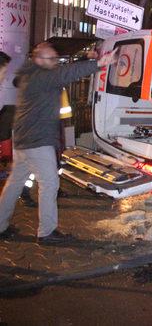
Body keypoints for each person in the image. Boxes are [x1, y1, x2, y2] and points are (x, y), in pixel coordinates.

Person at [0, 42, 117, 243]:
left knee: (14, 184)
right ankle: (46, 232)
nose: (55, 62)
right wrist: (100, 63)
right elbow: (64, 74)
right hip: (38, 141)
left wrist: (87, 58)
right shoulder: (42, 77)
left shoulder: (30, 74)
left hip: (23, 140)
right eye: (51, 59)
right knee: (50, 184)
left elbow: (63, 69)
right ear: (38, 59)